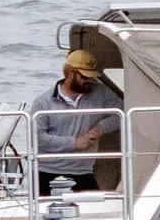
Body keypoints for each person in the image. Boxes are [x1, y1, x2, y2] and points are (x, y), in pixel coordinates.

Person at [31, 47, 122, 193]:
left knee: (95, 210)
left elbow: (123, 113)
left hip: (83, 170)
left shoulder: (101, 92)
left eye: (92, 77)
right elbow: (37, 138)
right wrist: (74, 143)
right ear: (71, 73)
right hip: (47, 170)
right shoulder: (42, 102)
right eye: (85, 77)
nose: (89, 81)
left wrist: (101, 128)